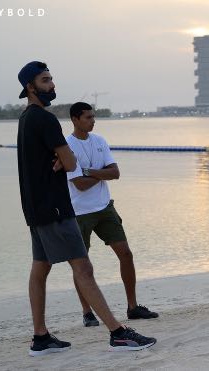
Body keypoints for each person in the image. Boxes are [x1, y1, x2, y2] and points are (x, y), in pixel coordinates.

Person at [16, 61, 156, 356]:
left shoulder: (25, 119)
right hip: (56, 208)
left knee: (40, 269)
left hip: (34, 208)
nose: (52, 85)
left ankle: (40, 337)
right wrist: (63, 160)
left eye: (52, 79)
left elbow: (63, 163)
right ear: (30, 86)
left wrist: (62, 160)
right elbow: (70, 165)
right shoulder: (45, 119)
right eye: (45, 80)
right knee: (84, 267)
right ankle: (118, 333)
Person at [65, 102, 158, 327]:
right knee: (82, 266)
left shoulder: (100, 141)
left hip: (105, 207)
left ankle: (133, 307)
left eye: (93, 116)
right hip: (79, 212)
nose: (93, 120)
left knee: (126, 254)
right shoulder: (67, 146)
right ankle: (87, 312)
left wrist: (90, 172)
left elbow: (115, 173)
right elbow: (80, 185)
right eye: (88, 117)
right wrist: (101, 174)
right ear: (75, 119)